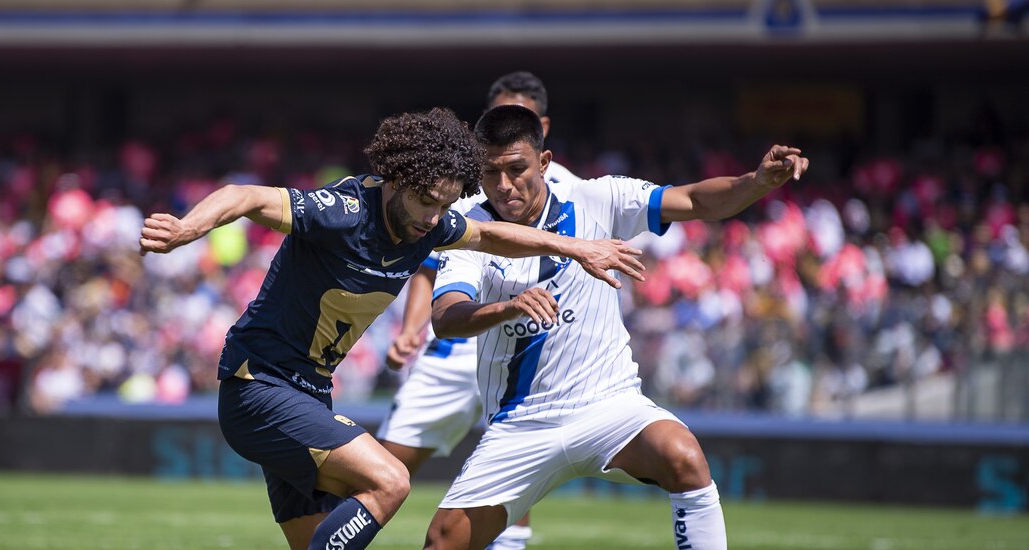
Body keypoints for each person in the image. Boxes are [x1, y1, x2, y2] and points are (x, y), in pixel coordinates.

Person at [137, 107, 644, 550]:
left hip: (309, 395)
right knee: (390, 482)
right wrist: (187, 229)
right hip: (260, 388)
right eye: (426, 200)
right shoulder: (343, 212)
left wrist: (576, 247)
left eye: (445, 204)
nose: (434, 217)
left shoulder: (432, 223)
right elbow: (244, 194)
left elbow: (490, 234)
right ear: (397, 179)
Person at [423, 105, 809, 550]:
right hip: (520, 424)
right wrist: (508, 308)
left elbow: (697, 201)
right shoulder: (468, 226)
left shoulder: (597, 198)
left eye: (516, 169)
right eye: (491, 172)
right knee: (443, 543)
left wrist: (756, 182)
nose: (505, 185)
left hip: (607, 407)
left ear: (544, 163)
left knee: (684, 458)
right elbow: (446, 318)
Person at [376, 71, 575, 550]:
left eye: (520, 120)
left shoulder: (572, 189)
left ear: (542, 130)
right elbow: (429, 266)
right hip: (456, 345)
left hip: (524, 344)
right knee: (382, 472)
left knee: (510, 475)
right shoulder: (464, 187)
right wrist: (411, 328)